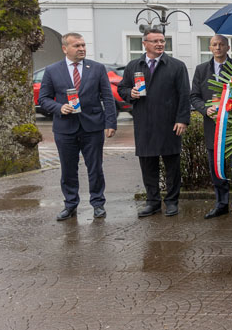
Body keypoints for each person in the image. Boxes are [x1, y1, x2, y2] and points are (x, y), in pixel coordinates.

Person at [38, 33, 117, 221]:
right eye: (77, 46)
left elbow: (108, 97)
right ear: (65, 48)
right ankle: (70, 204)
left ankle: (98, 203)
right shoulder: (52, 70)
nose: (82, 48)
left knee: (95, 168)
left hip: (92, 127)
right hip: (65, 128)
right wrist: (59, 107)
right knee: (68, 169)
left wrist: (110, 123)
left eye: (83, 45)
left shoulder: (97, 68)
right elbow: (44, 99)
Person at [118, 28, 190, 218]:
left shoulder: (176, 66)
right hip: (144, 123)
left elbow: (184, 94)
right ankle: (153, 202)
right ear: (145, 44)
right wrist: (130, 93)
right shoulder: (134, 65)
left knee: (172, 166)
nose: (160, 44)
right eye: (155, 41)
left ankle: (172, 202)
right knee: (148, 165)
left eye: (162, 41)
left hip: (169, 124)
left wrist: (182, 119)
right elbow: (122, 88)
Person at [190, 34, 232, 220]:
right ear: (210, 48)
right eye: (214, 44)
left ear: (228, 47)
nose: (218, 48)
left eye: (221, 44)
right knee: (216, 169)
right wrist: (206, 109)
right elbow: (194, 96)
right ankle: (221, 204)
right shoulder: (201, 70)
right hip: (212, 128)